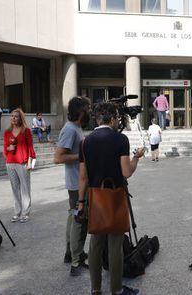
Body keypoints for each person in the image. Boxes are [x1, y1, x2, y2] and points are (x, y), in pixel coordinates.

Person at [78, 102, 144, 295]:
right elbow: (126, 172)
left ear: (97, 119)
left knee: (95, 244)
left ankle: (95, 289)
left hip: (94, 197)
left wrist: (81, 203)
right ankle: (116, 290)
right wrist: (137, 157)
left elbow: (82, 177)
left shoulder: (85, 142)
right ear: (113, 119)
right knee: (115, 246)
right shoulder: (120, 139)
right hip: (114, 196)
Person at [54, 96, 91, 276]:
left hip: (76, 182)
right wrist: (84, 156)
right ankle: (77, 260)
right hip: (77, 185)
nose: (90, 112)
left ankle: (71, 253)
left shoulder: (76, 128)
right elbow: (58, 157)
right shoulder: (70, 129)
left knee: (73, 217)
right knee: (80, 220)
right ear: (81, 111)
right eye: (88, 108)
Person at [3, 109, 36, 223]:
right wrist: (9, 148)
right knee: (15, 188)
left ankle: (25, 213)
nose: (13, 118)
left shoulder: (26, 131)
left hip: (23, 163)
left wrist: (30, 163)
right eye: (12, 116)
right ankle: (17, 212)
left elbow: (30, 148)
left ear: (20, 118)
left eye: (16, 116)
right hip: (10, 163)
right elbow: (5, 149)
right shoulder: (7, 132)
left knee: (25, 189)